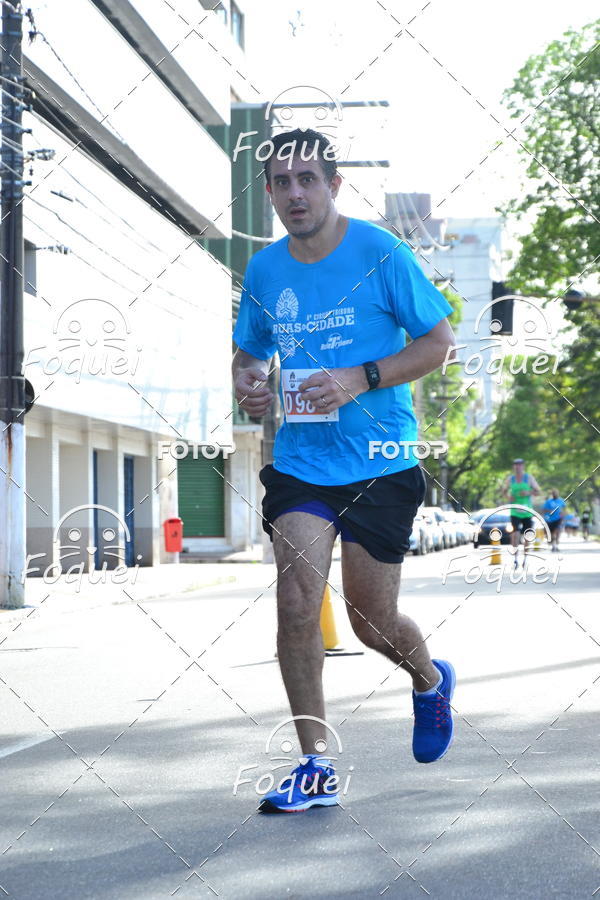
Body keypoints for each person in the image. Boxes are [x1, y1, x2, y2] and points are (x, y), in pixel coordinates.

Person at [232, 128, 457, 813]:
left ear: (334, 185)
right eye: (281, 182)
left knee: (370, 621)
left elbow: (439, 343)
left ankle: (429, 679)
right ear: (270, 194)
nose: (294, 193)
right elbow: (249, 352)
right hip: (302, 463)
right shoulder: (265, 271)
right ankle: (314, 766)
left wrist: (361, 377)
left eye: (307, 179)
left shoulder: (381, 253)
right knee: (298, 602)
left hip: (382, 462)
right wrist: (249, 380)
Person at [502, 459, 540, 565]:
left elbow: (538, 491)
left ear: (523, 466)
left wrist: (528, 492)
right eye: (515, 465)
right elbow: (504, 491)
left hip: (527, 511)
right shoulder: (510, 479)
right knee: (515, 533)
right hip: (515, 511)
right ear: (513, 467)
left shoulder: (529, 478)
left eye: (519, 465)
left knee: (527, 535)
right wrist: (508, 497)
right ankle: (515, 558)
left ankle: (525, 558)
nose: (517, 467)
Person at [541, 488, 565, 552]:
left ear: (558, 494)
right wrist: (550, 511)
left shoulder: (561, 501)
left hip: (558, 518)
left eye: (556, 493)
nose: (555, 494)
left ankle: (556, 545)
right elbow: (543, 509)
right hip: (550, 519)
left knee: (557, 532)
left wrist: (563, 516)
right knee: (552, 533)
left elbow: (563, 509)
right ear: (552, 494)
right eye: (553, 493)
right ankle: (553, 546)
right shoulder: (548, 501)